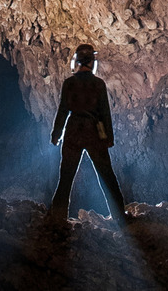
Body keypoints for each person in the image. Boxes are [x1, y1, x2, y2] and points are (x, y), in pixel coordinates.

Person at [49, 44, 127, 224]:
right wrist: (109, 138)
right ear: (92, 61)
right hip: (94, 131)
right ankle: (119, 215)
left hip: (73, 130)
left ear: (76, 61)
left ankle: (57, 216)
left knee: (66, 176)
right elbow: (105, 113)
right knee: (106, 175)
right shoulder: (98, 84)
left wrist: (56, 133)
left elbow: (62, 110)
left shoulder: (69, 83)